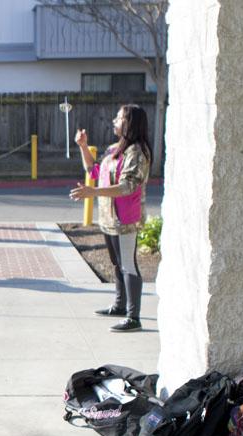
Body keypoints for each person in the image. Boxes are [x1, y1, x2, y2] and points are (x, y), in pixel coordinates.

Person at [71, 104, 152, 332]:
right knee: (117, 264)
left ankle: (133, 317)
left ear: (130, 123)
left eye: (119, 117)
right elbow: (94, 172)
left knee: (128, 265)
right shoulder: (115, 149)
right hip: (109, 218)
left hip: (126, 219)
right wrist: (83, 146)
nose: (114, 120)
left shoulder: (137, 152)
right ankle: (119, 305)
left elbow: (128, 186)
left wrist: (92, 192)